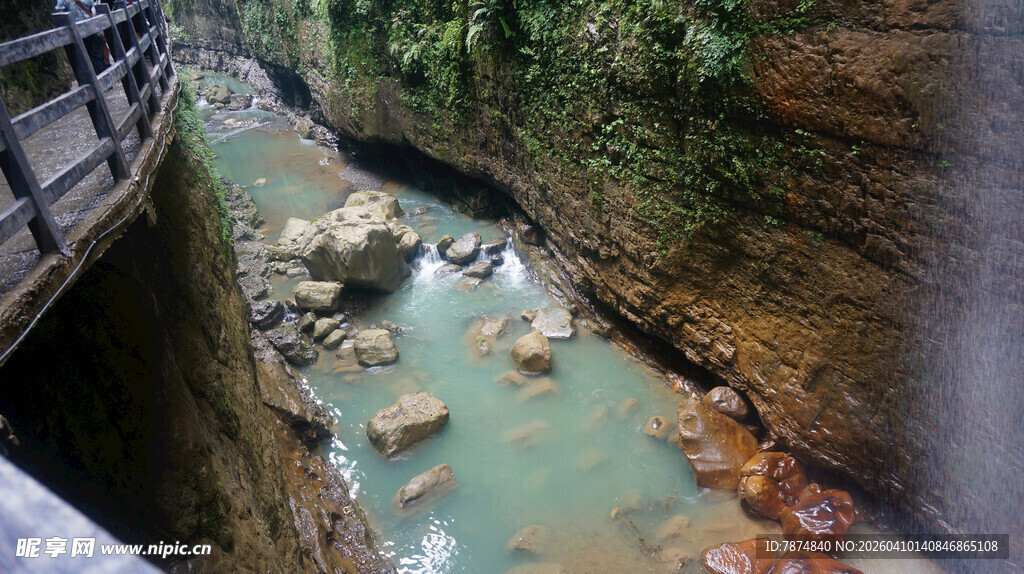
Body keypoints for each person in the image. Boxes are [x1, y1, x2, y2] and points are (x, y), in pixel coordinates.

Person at [54, 0, 107, 74]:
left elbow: (61, 15)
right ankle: (106, 81)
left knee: (82, 61)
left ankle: (91, 82)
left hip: (77, 33)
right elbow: (93, 6)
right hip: (92, 27)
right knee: (98, 58)